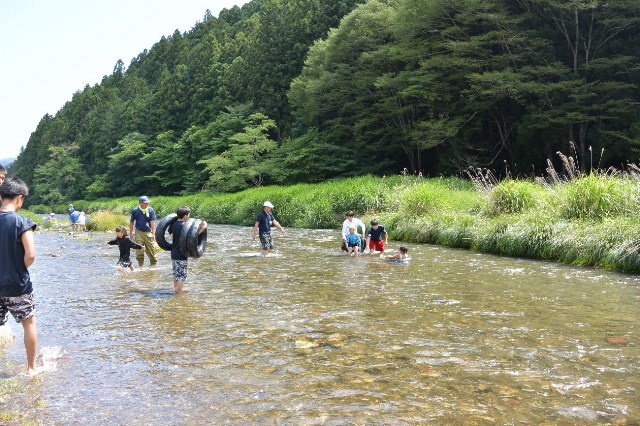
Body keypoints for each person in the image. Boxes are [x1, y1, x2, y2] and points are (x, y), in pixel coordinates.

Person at [0, 177, 39, 376]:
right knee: (28, 323)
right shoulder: (22, 222)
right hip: (17, 285)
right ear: (20, 198)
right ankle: (31, 368)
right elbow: (30, 255)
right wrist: (17, 266)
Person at [169, 206, 207, 293]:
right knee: (182, 275)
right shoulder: (185, 227)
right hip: (181, 254)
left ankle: (176, 288)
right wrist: (204, 226)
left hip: (174, 253)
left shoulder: (174, 225)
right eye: (189, 215)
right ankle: (178, 292)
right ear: (185, 216)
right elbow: (193, 236)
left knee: (176, 273)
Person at [129, 196, 157, 267]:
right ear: (140, 203)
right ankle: (141, 266)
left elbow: (153, 222)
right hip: (138, 232)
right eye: (145, 203)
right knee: (139, 250)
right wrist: (131, 232)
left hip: (148, 232)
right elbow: (131, 222)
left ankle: (153, 266)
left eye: (147, 203)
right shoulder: (135, 210)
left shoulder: (151, 210)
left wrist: (154, 234)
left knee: (151, 251)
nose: (147, 204)